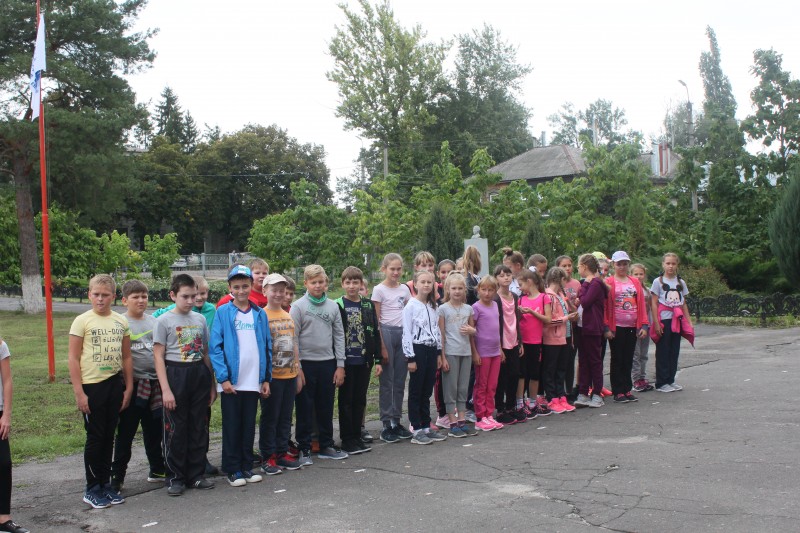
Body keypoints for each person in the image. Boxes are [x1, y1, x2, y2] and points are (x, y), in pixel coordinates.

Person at [68, 274, 133, 509]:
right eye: (96, 294)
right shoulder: (82, 321)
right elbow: (73, 358)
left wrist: (129, 387)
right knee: (95, 437)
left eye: (105, 295)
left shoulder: (120, 321)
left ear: (113, 297)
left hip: (114, 384)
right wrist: (79, 392)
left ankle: (106, 484)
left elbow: (126, 357)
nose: (100, 299)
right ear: (89, 295)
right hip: (91, 386)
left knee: (109, 436)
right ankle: (92, 488)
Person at [154, 274, 216, 496]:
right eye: (185, 296)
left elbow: (205, 352)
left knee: (199, 426)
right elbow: (158, 356)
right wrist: (166, 390)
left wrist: (212, 384)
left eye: (194, 296)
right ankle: (175, 477)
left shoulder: (199, 320)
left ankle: (196, 475)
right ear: (173, 295)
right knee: (175, 429)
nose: (191, 301)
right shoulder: (164, 321)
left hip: (198, 374)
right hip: (175, 375)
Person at [209, 265, 271, 487]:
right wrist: (223, 378)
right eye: (236, 287)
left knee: (248, 425)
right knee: (232, 425)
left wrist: (266, 378)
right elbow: (215, 348)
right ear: (230, 287)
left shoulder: (259, 314)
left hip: (253, 380)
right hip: (233, 381)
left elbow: (267, 346)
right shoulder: (223, 312)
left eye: (245, 286)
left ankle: (246, 466)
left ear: (251, 285)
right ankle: (232, 468)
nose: (241, 290)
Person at [111, 280, 166, 493]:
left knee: (154, 430)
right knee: (126, 433)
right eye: (135, 297)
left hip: (154, 385)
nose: (141, 300)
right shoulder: (120, 322)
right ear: (125, 300)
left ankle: (157, 469)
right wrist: (126, 387)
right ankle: (117, 476)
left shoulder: (154, 322)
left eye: (144, 296)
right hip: (132, 386)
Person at [290, 265, 347, 462]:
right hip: (305, 364)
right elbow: (293, 338)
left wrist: (340, 365)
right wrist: (298, 367)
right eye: (313, 282)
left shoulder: (333, 306)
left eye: (321, 282)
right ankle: (304, 448)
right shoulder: (298, 307)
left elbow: (339, 335)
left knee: (326, 406)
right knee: (304, 408)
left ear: (326, 283)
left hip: (328, 363)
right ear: (306, 283)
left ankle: (326, 445)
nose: (317, 286)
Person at [258, 274, 304, 474]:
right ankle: (268, 456)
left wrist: (298, 371)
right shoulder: (261, 315)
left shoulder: (287, 315)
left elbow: (294, 344)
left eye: (281, 291)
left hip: (289, 375)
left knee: (285, 416)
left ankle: (281, 452)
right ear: (264, 291)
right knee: (271, 417)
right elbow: (260, 347)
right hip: (272, 377)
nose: (278, 294)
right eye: (274, 290)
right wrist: (263, 378)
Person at [335, 267, 382, 454]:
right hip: (346, 361)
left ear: (361, 284)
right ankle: (347, 439)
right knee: (346, 400)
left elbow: (375, 331)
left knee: (359, 399)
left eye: (355, 282)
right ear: (342, 284)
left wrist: (378, 359)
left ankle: (357, 436)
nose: (352, 286)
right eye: (348, 282)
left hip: (364, 360)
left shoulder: (368, 305)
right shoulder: (338, 305)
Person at [372, 253, 412, 443]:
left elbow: (409, 313)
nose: (396, 272)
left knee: (399, 380)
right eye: (392, 269)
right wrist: (382, 346)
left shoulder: (404, 289)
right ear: (384, 269)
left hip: (402, 334)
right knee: (387, 382)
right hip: (386, 333)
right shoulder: (379, 290)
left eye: (398, 269)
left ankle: (396, 421)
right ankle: (386, 423)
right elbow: (376, 320)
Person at [403, 271, 446, 444]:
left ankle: (426, 426)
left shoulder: (433, 306)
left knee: (427, 390)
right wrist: (410, 358)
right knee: (416, 390)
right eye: (423, 282)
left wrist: (438, 352)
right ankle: (416, 428)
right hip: (417, 349)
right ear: (415, 284)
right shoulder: (411, 306)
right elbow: (406, 332)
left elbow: (436, 330)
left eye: (430, 282)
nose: (426, 285)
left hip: (431, 349)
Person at [604, 251, 650, 404]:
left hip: (632, 325)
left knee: (629, 358)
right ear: (613, 265)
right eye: (619, 264)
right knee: (617, 358)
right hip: (616, 326)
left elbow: (641, 304)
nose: (622, 267)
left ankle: (627, 389)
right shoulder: (609, 282)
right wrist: (606, 327)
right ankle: (618, 391)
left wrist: (644, 325)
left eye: (625, 264)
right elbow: (605, 306)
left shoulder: (634, 282)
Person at [437, 273, 477, 438]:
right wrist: (442, 357)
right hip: (450, 353)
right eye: (454, 288)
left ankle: (461, 420)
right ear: (448, 289)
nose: (457, 291)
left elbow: (473, 332)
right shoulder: (443, 309)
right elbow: (441, 335)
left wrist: (473, 331)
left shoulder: (468, 309)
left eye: (460, 288)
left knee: (463, 387)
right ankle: (452, 422)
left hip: (465, 352)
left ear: (465, 290)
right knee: (450, 388)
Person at [650, 253, 692, 392]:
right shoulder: (658, 282)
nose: (670, 266)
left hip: (677, 320)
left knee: (674, 350)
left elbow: (683, 303)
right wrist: (656, 322)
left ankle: (670, 379)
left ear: (677, 265)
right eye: (668, 263)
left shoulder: (680, 282)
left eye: (673, 263)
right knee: (663, 350)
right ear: (663, 264)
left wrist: (689, 322)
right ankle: (661, 382)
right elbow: (654, 303)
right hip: (664, 319)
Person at [0, 338, 29, 533]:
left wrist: (6, 415)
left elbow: (7, 381)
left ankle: (3, 519)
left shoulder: (1, 345)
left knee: (3, 463)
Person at [574, 255, 609, 408]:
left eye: (578, 266)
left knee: (594, 361)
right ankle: (583, 393)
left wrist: (584, 288)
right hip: (582, 326)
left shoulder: (594, 283)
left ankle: (597, 394)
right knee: (583, 361)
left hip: (592, 327)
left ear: (585, 266)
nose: (577, 269)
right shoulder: (589, 283)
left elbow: (586, 301)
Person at [542, 268, 578, 414]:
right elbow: (548, 321)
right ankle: (552, 398)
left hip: (564, 337)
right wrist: (566, 318)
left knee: (561, 369)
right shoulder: (548, 296)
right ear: (560, 279)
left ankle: (561, 396)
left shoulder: (560, 295)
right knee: (551, 369)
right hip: (552, 338)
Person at [492, 265, 525, 425]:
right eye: (501, 275)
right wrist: (498, 347)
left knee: (514, 374)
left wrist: (520, 341)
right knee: (502, 378)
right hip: (502, 342)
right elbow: (495, 324)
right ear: (496, 279)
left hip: (513, 341)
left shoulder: (514, 296)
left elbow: (516, 320)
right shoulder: (495, 298)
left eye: (508, 274)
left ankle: (511, 407)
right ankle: (500, 409)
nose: (505, 277)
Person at [471, 276, 505, 431]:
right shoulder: (476, 307)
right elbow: (471, 332)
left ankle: (489, 414)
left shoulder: (495, 305)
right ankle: (480, 416)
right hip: (482, 353)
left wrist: (500, 349)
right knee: (481, 384)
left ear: (495, 291)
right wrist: (475, 352)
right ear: (478, 290)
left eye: (490, 290)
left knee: (492, 385)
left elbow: (496, 329)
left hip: (495, 352)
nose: (487, 293)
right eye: (483, 289)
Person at [517, 269, 552, 417]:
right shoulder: (520, 299)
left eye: (521, 284)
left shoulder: (544, 297)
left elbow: (548, 319)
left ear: (529, 282)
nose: (519, 288)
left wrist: (532, 312)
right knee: (522, 373)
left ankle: (532, 402)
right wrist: (519, 313)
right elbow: (516, 319)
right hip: (522, 341)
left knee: (534, 373)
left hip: (536, 341)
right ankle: (520, 402)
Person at [556, 255, 581, 398]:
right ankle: (558, 392)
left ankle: (569, 391)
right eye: (564, 266)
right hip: (559, 326)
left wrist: (577, 302)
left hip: (574, 325)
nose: (567, 268)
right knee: (560, 360)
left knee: (571, 358)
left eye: (569, 265)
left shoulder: (576, 283)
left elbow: (581, 302)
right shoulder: (554, 285)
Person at [630, 263, 655, 392]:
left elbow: (650, 308)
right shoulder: (630, 290)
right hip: (634, 325)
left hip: (646, 325)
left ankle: (642, 377)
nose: (639, 276)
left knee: (644, 354)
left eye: (641, 274)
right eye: (636, 274)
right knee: (636, 354)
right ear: (631, 275)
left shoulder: (647, 291)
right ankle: (635, 379)